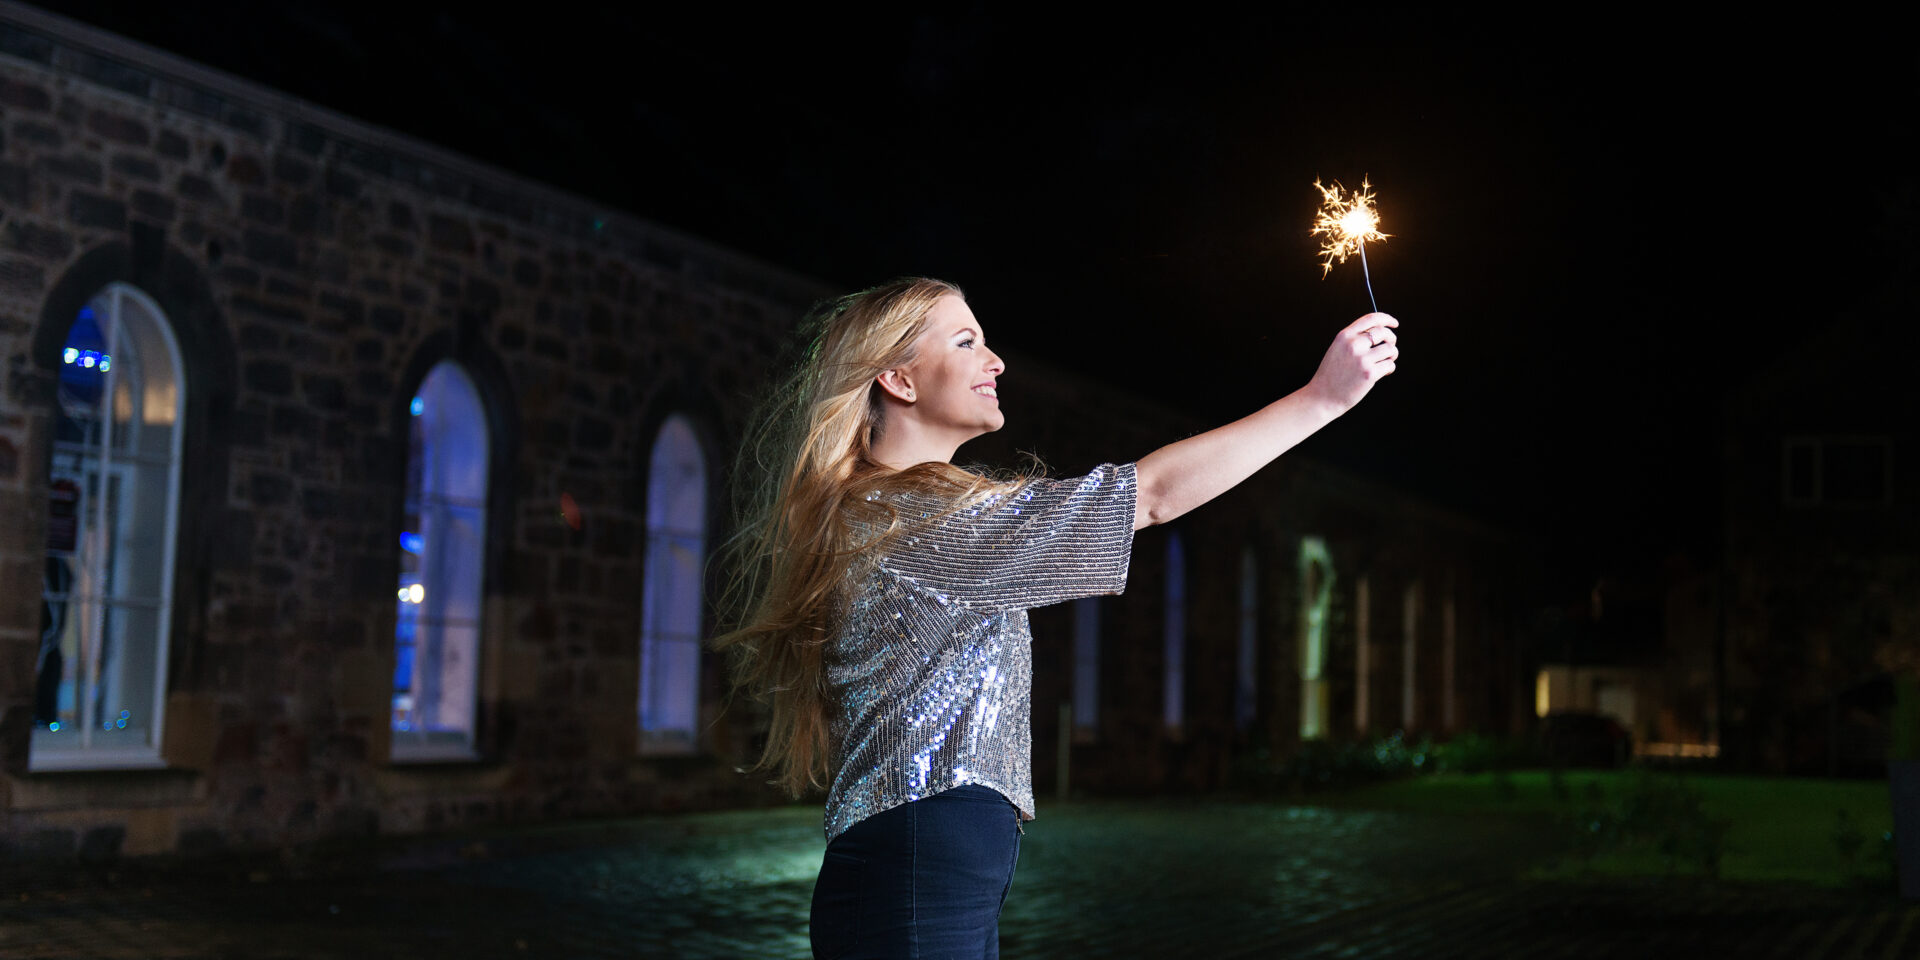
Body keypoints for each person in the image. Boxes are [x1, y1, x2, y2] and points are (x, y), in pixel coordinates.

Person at [714, 278, 1397, 959]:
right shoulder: (916, 519)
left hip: (923, 873)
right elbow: (1151, 496)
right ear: (898, 378)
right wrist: (1321, 399)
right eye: (966, 340)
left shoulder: (890, 512)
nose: (996, 359)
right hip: (916, 876)